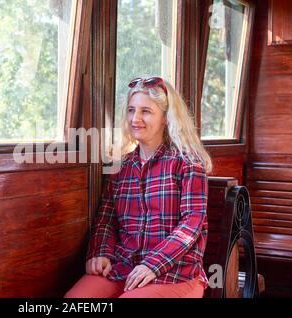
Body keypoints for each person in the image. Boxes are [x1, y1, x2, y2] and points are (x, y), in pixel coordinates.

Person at [65, 76, 212, 298]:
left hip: (176, 272)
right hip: (124, 267)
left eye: (146, 111)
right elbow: (107, 218)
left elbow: (192, 223)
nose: (136, 118)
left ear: (166, 118)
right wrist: (101, 252)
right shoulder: (120, 166)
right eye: (131, 110)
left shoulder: (188, 163)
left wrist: (153, 264)